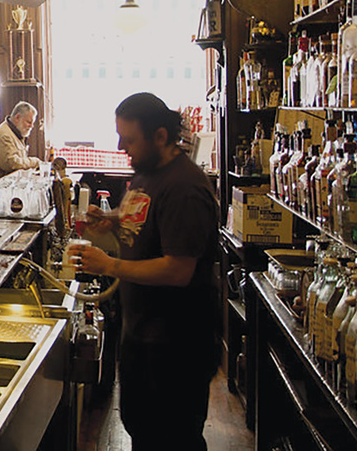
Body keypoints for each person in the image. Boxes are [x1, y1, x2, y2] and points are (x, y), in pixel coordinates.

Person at [68, 93, 219, 451]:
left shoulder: (185, 187)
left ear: (161, 136)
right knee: (143, 430)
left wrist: (110, 265)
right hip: (143, 335)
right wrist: (111, 220)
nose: (122, 147)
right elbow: (143, 220)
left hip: (176, 344)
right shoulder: (146, 175)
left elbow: (179, 269)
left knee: (172, 438)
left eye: (130, 139)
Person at [0, 101, 42, 183]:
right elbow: (11, 164)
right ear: (17, 117)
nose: (31, 126)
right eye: (29, 122)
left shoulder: (16, 133)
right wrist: (34, 162)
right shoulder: (4, 135)